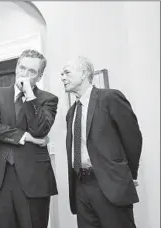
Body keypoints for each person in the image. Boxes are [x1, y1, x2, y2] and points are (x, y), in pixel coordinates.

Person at [61, 56, 143, 228]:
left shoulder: (110, 98)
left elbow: (133, 138)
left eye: (67, 72)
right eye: (62, 74)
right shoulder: (71, 112)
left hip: (110, 186)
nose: (62, 77)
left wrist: (127, 175)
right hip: (81, 187)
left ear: (83, 74)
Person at [0, 49, 58, 228]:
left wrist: (30, 97)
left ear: (39, 77)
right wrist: (25, 137)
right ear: (16, 68)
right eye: (22, 68)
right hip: (0, 178)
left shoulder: (48, 99)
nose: (24, 74)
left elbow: (40, 130)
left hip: (34, 179)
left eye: (32, 71)